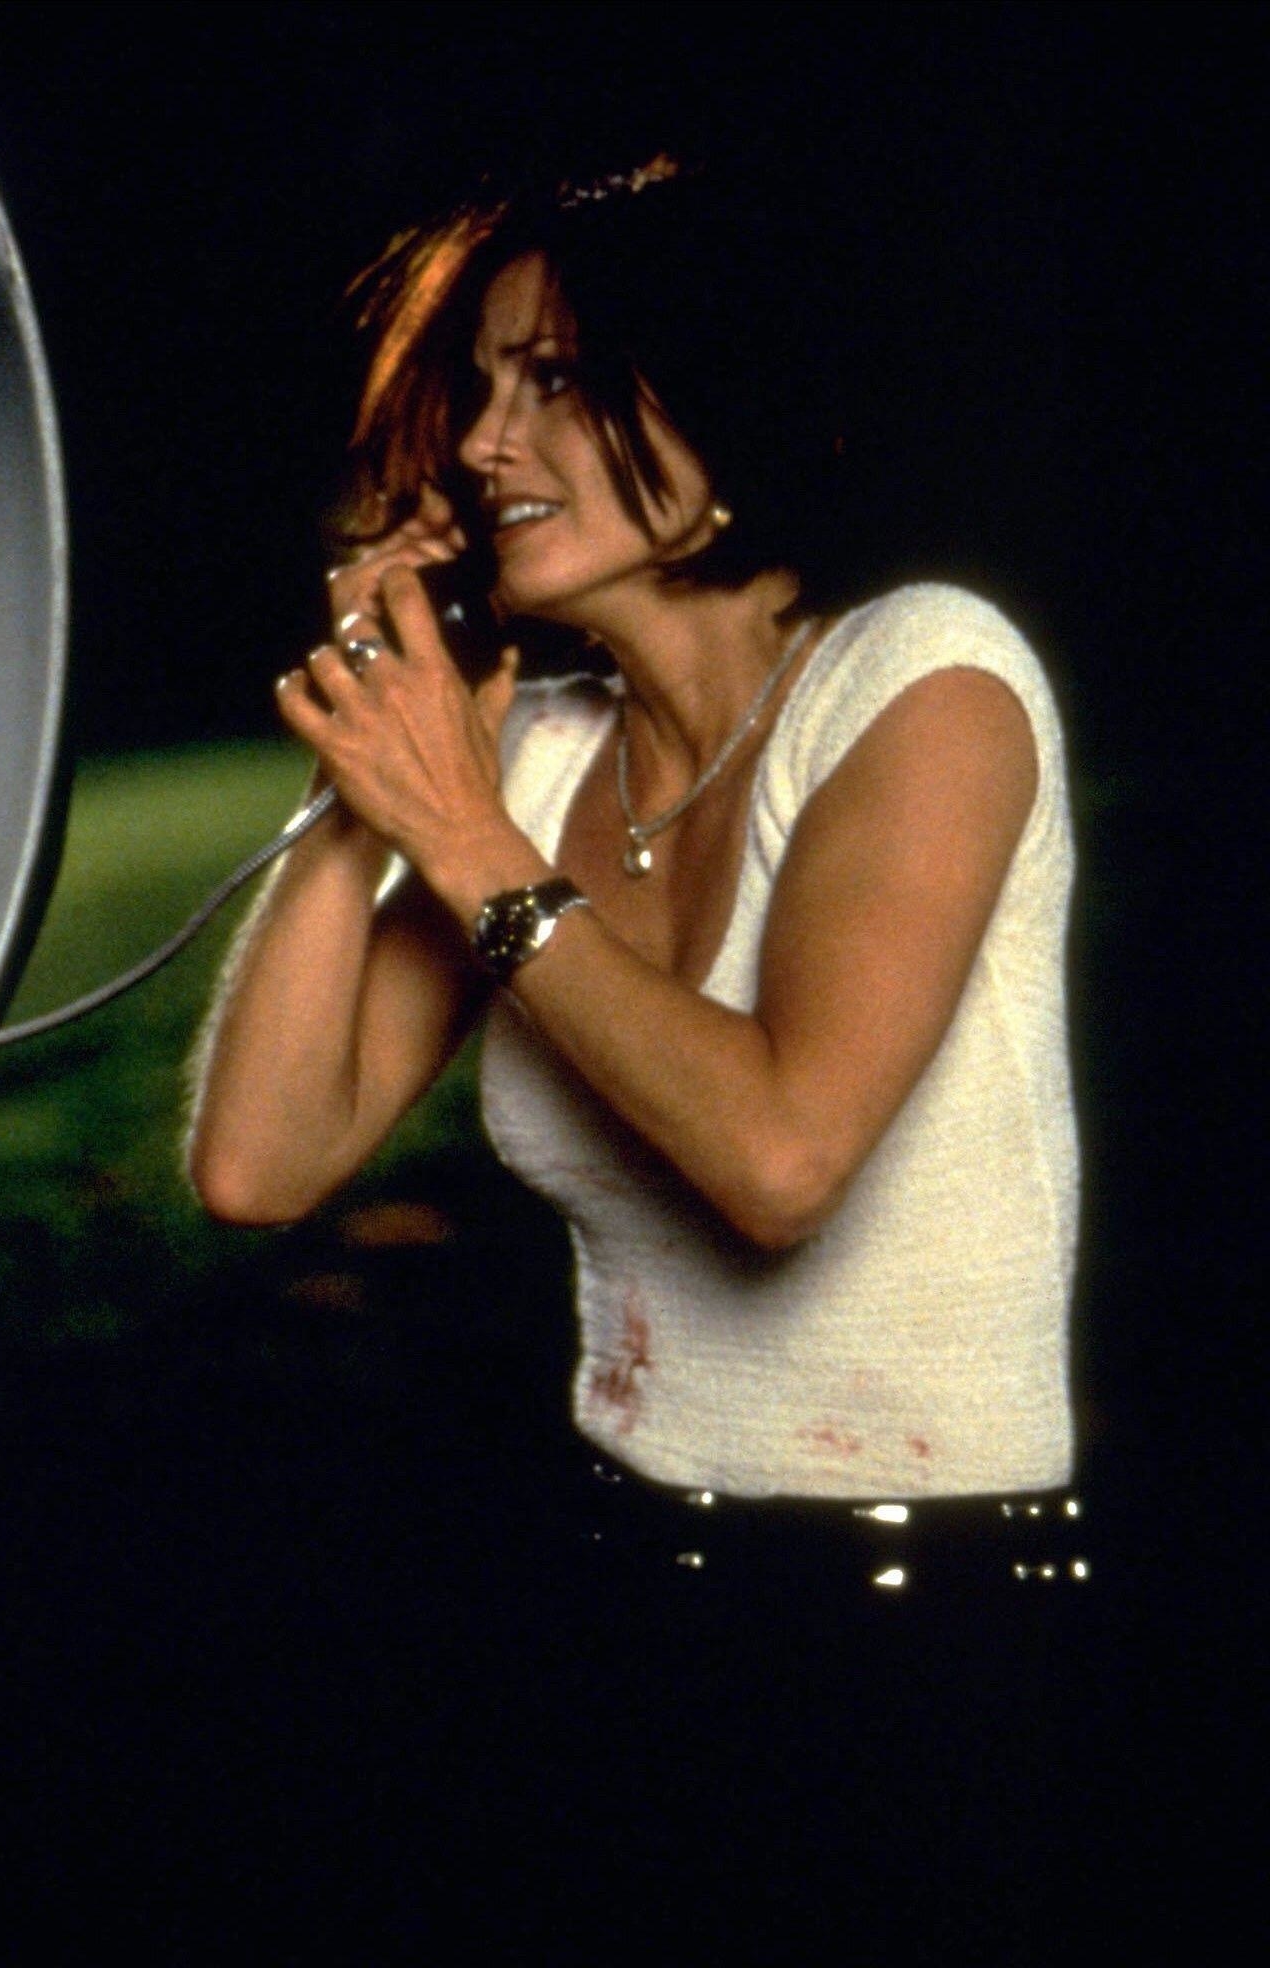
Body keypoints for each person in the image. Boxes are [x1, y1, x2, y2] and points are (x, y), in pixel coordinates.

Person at [186, 160, 1084, 1939]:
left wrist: (462, 840)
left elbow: (779, 1160)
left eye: (562, 386)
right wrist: (367, 785)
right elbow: (259, 1163)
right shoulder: (534, 765)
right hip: (616, 1585)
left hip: (923, 1644)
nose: (486, 448)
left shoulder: (925, 687)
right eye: (485, 392)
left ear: (739, 408)